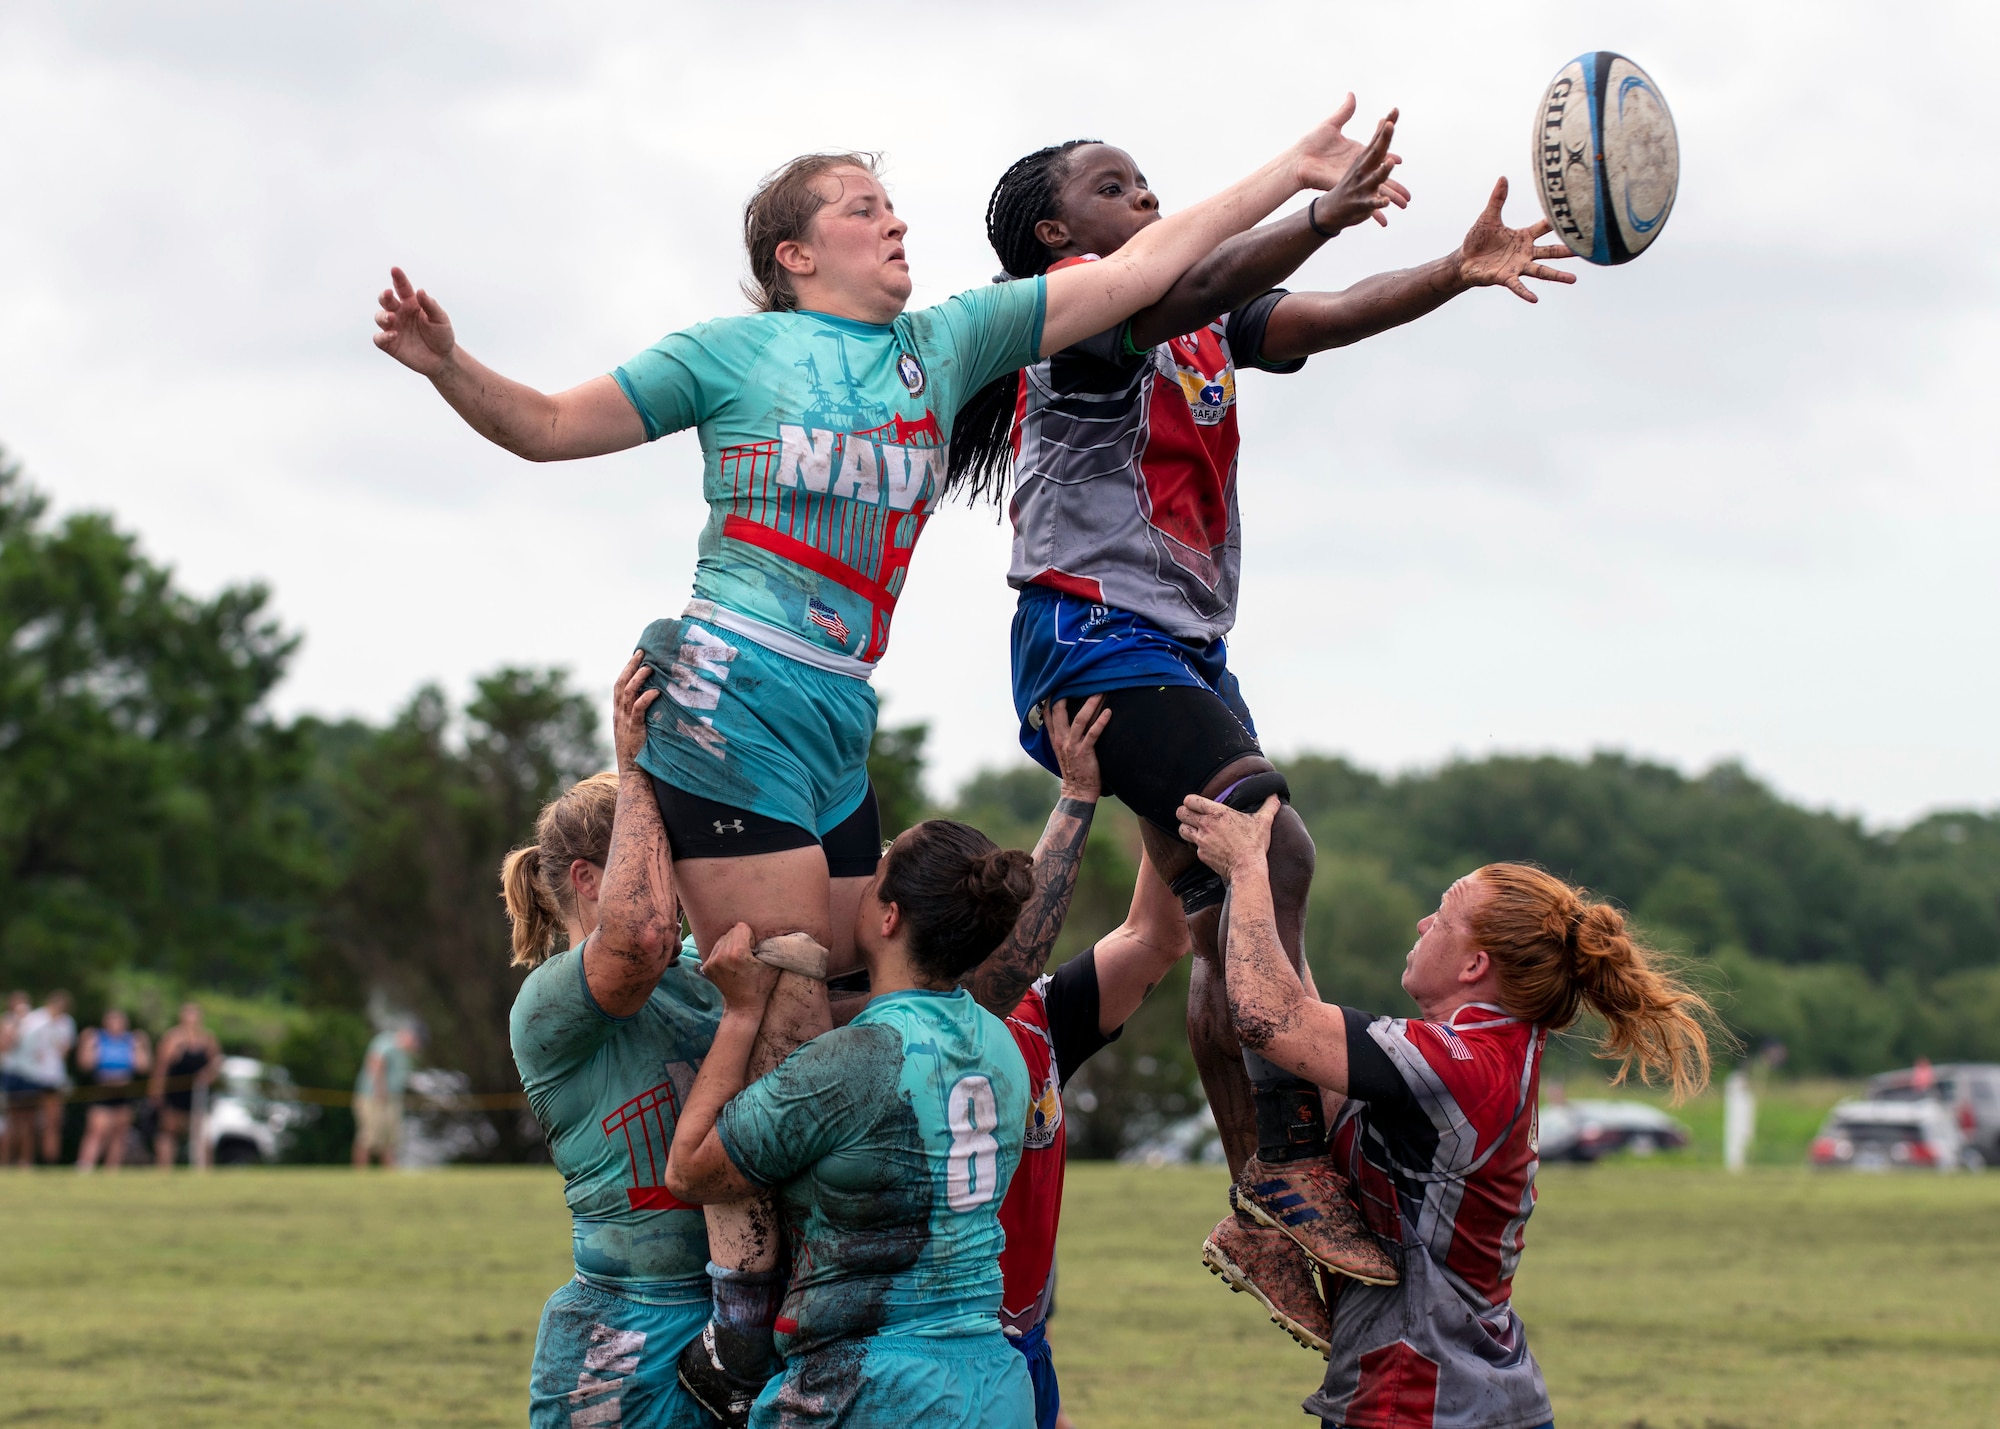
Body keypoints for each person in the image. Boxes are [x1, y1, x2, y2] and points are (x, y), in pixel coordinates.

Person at [373, 105, 1400, 1393]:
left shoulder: (946, 342)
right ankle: (752, 1333)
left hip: (836, 717)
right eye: (863, 207)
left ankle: (861, 1307)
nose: (895, 221)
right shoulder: (730, 353)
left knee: (883, 1002)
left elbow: (1145, 272)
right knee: (799, 1021)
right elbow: (542, 426)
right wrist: (444, 364)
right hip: (734, 691)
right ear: (795, 254)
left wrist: (1290, 180)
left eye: (892, 206)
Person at [952, 123, 1581, 1332]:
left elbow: (1318, 316)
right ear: (1053, 234)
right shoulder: (1074, 311)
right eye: (1109, 185)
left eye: (1146, 178)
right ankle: (1287, 1166)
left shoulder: (1195, 314)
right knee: (1273, 851)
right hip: (1091, 638)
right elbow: (1205, 275)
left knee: (1220, 911)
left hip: (1178, 650)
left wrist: (1450, 272)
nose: (1141, 192)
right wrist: (1317, 206)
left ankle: (1258, 1196)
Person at [1177, 792, 1713, 1429]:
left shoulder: (1464, 1064)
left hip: (1419, 1402)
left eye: (1442, 916)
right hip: (1455, 1399)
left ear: (1474, 964)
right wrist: (1264, 898)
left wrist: (1246, 870)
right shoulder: (1492, 1050)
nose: (1422, 925)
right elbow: (1301, 1037)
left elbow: (1274, 1020)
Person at [663, 814, 1043, 1429]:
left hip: (874, 1390)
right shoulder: (999, 1044)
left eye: (877, 873)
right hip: (993, 1385)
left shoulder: (856, 1063)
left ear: (889, 917)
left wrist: (741, 1012)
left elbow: (692, 1170)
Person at [506, 650, 724, 1429]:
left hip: (734, 1319)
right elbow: (636, 937)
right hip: (621, 1326)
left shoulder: (701, 967)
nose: (681, 883)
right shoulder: (545, 1005)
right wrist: (636, 775)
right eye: (662, 859)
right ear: (591, 878)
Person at [1, 990, 75, 1165]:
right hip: (16, 1074)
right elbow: (8, 1045)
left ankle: (29, 1161)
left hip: (39, 1076)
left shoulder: (64, 1023)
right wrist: (16, 1025)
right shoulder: (28, 1020)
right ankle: (6, 1161)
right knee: (13, 1120)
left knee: (33, 1121)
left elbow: (63, 1051)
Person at [76, 1009, 152, 1172]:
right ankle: (85, 1166)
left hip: (124, 1092)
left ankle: (112, 1170)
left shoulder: (131, 1040)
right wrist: (87, 1045)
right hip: (102, 1090)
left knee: (120, 1133)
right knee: (96, 1130)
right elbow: (85, 1064)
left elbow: (143, 1067)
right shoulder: (97, 1039)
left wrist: (140, 1046)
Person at [150, 1002, 223, 1169]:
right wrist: (156, 1090)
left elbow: (217, 1062)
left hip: (199, 1093)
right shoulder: (172, 1038)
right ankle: (164, 1170)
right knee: (169, 1131)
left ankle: (204, 1170)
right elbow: (161, 1066)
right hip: (175, 1093)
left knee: (203, 1133)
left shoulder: (208, 1039)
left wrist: (209, 1075)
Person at [352, 1023, 424, 1168]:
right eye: (417, 1041)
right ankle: (360, 1172)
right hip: (372, 1097)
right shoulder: (386, 1041)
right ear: (410, 1036)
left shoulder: (406, 1055)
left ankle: (390, 1172)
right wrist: (380, 1090)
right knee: (369, 1136)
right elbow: (376, 1064)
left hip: (393, 1099)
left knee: (391, 1138)